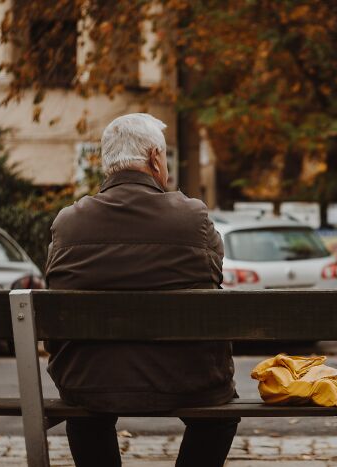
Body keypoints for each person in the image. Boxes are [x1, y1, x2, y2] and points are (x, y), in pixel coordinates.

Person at [45, 113, 237, 467]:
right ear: (154, 158)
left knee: (84, 411)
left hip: (90, 382)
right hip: (187, 379)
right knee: (219, 415)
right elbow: (212, 279)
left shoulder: (68, 224)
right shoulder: (193, 218)